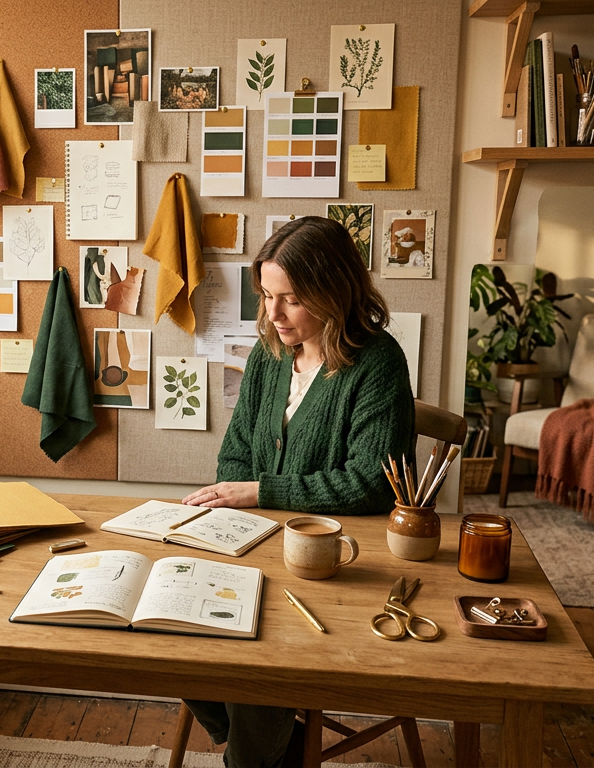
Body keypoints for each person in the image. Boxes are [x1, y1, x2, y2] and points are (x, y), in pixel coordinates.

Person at [179, 216, 416, 767]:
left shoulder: (377, 363)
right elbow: (236, 454)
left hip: (329, 560)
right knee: (169, 629)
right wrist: (234, 506)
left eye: (290, 299)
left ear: (334, 292)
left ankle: (256, 751)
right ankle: (258, 742)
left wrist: (263, 491)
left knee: (254, 652)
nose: (272, 314)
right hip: (254, 542)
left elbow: (370, 485)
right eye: (266, 296)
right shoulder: (268, 354)